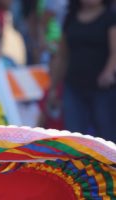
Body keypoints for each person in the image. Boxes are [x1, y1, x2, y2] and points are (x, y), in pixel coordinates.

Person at [48, 0, 116, 142]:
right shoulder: (70, 18)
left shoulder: (110, 18)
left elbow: (114, 52)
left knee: (107, 136)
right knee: (74, 138)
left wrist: (109, 71)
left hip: (103, 89)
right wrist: (53, 88)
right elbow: (62, 56)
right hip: (73, 86)